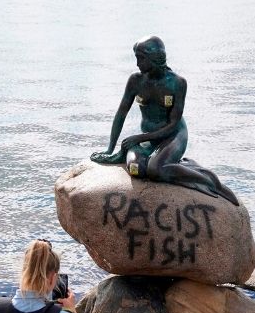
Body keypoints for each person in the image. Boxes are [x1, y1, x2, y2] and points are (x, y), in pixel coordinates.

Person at [90, 35, 240, 205]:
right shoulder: (135, 81)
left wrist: (139, 138)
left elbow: (173, 124)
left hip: (174, 136)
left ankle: (208, 180)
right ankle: (174, 165)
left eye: (141, 58)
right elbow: (121, 114)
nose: (137, 63)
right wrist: (110, 149)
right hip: (148, 138)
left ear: (154, 58)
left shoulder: (177, 83)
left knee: (156, 170)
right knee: (136, 168)